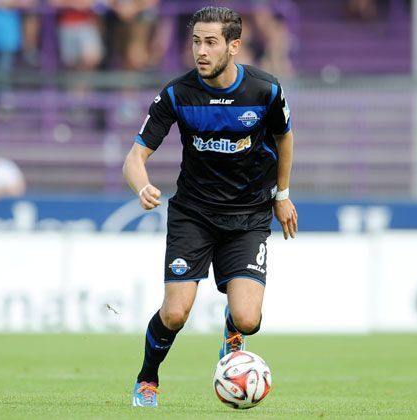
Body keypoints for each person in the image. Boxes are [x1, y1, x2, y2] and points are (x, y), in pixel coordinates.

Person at [122, 6, 297, 407]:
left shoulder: (264, 90)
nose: (201, 51)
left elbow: (284, 138)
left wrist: (282, 195)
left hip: (249, 216)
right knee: (175, 315)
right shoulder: (177, 93)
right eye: (196, 41)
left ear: (234, 46)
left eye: (211, 42)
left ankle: (232, 333)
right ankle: (148, 379)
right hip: (194, 215)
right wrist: (142, 186)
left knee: (249, 319)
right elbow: (134, 158)